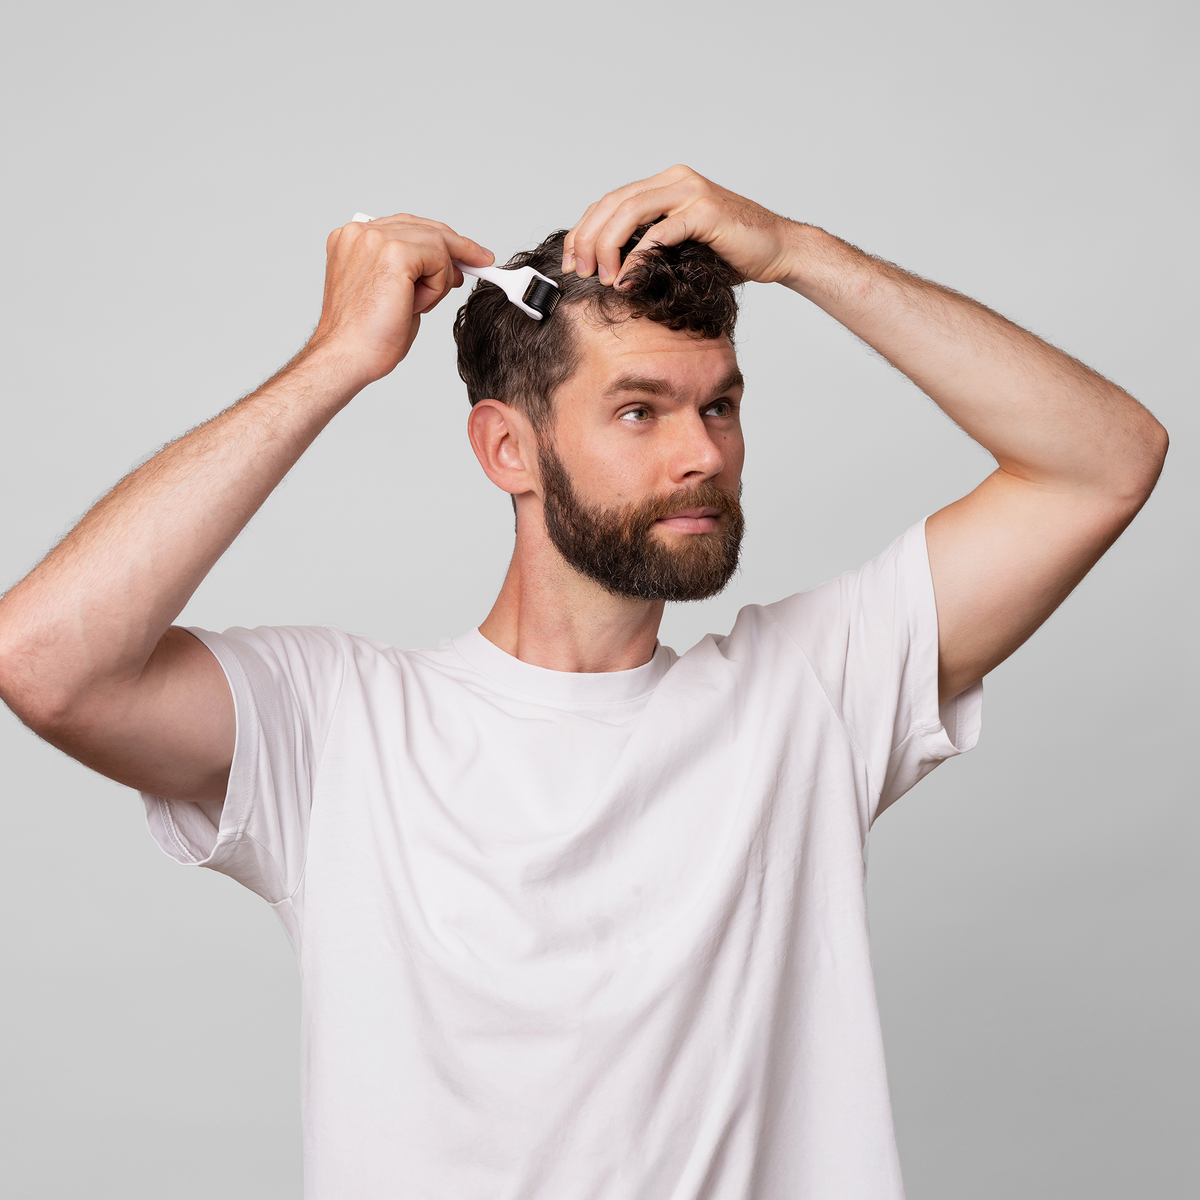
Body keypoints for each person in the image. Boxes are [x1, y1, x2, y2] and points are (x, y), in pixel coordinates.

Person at [0, 165, 1167, 1199]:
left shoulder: (809, 697)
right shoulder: (341, 727)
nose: (702, 450)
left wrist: (802, 254)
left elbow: (1104, 462)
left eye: (718, 404)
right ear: (508, 449)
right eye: (637, 410)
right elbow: (47, 663)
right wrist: (334, 363)